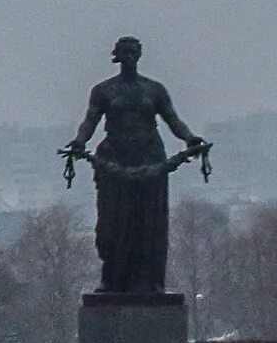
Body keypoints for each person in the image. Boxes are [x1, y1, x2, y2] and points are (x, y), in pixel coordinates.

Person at [62, 36, 208, 293]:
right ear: (117, 56)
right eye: (124, 52)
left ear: (139, 55)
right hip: (115, 159)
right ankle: (112, 280)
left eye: (133, 52)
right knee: (114, 222)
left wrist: (190, 138)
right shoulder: (103, 91)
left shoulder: (154, 90)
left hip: (150, 158)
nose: (129, 56)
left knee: (149, 222)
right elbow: (90, 121)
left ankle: (150, 281)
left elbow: (173, 120)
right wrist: (79, 142)